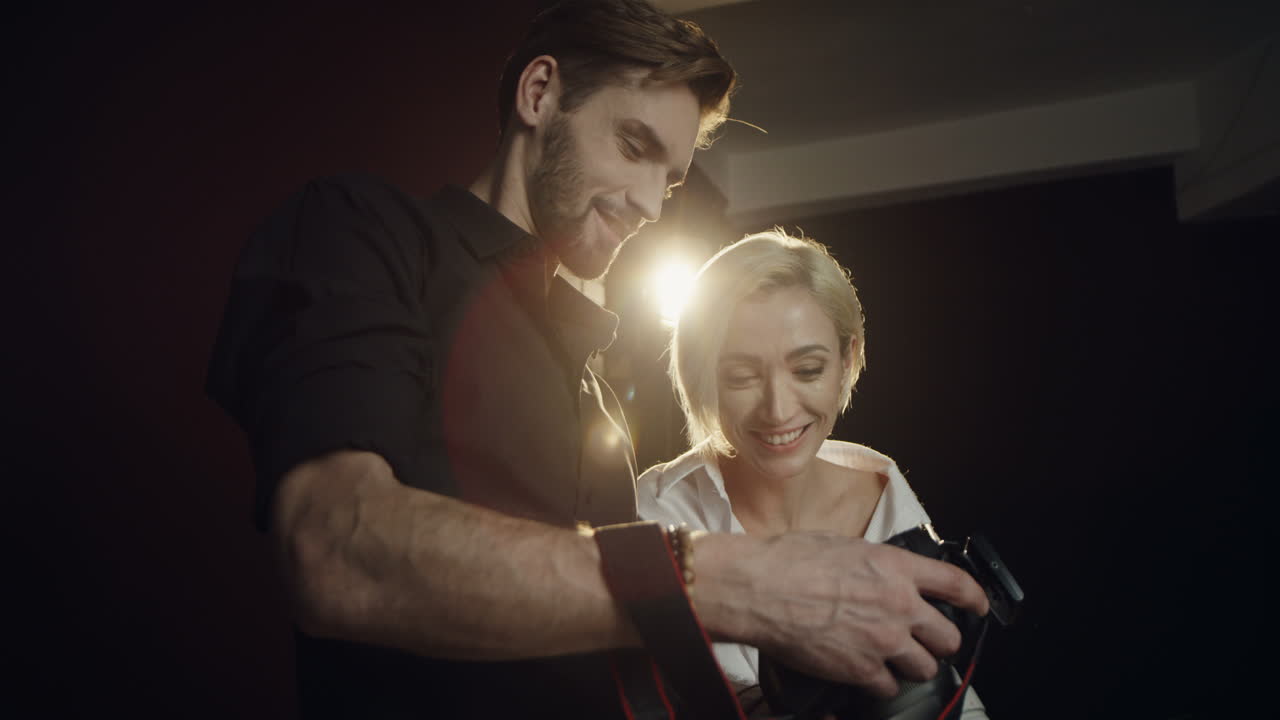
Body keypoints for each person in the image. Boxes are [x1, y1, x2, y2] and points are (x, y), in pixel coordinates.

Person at [205, 1, 988, 717]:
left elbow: (608, 668)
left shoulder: (597, 389)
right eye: (634, 147)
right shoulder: (364, 231)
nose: (651, 203)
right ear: (540, 94)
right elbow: (336, 550)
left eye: (670, 179)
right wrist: (748, 583)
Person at [638, 229, 989, 717]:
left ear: (847, 360)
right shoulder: (652, 513)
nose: (778, 410)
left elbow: (941, 694)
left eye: (807, 370)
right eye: (741, 377)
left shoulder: (887, 500)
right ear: (702, 374)